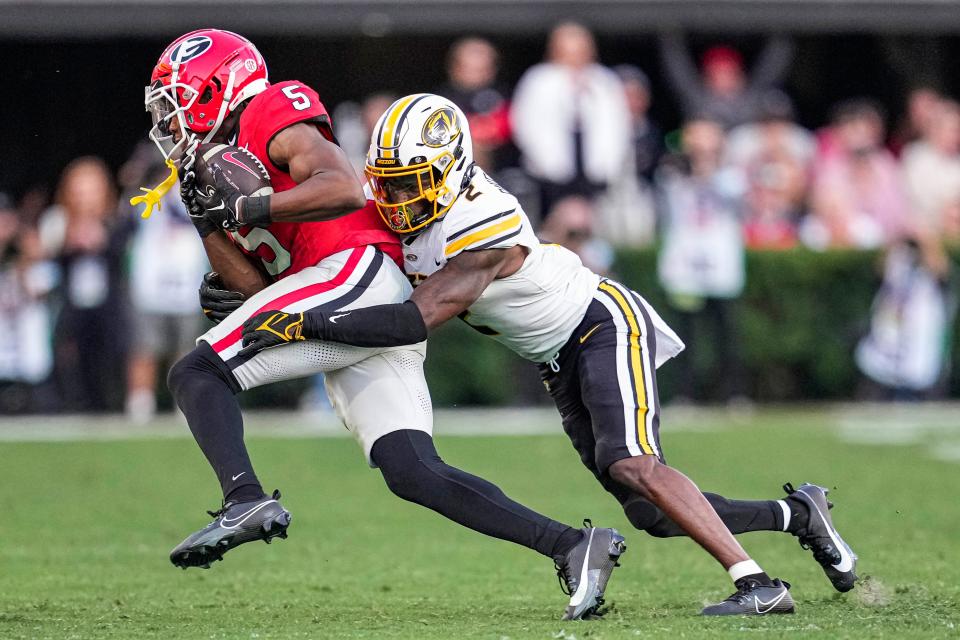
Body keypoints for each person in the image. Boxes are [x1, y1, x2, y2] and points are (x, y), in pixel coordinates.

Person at [241, 94, 859, 615]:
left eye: (412, 182)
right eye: (389, 183)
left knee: (631, 463)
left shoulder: (483, 221)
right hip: (558, 357)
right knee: (649, 511)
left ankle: (757, 584)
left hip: (600, 323)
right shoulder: (417, 210)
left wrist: (303, 321)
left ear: (453, 169)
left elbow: (413, 320)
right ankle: (799, 514)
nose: (398, 198)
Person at [141, 29, 619, 620]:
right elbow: (257, 290)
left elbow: (341, 189)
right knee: (410, 468)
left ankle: (244, 499)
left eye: (177, 101)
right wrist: (207, 219)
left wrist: (248, 208)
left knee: (197, 370)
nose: (170, 120)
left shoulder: (269, 107)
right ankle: (573, 545)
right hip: (335, 286)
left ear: (219, 87)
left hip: (356, 268)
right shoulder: (207, 169)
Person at [510, 22, 631, 217]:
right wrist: (541, 159)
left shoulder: (604, 80)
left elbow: (619, 124)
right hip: (550, 167)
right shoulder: (538, 79)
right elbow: (524, 122)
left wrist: (612, 163)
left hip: (594, 164)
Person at [659, 32, 795, 130]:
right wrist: (670, 32)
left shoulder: (752, 98)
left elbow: (773, 67)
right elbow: (678, 70)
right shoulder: (700, 100)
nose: (724, 79)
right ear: (708, 79)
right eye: (718, 74)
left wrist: (782, 31)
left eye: (729, 73)